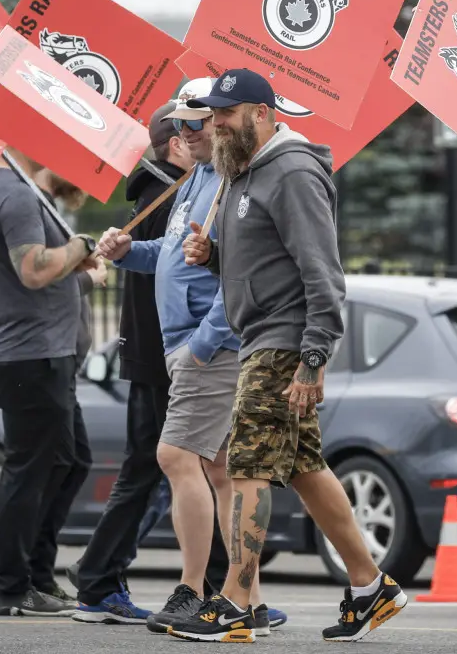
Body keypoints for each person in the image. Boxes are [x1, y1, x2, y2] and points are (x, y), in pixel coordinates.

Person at [176, 68, 408, 644]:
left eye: (225, 114)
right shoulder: (243, 174)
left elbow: (322, 272)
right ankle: (369, 585)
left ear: (261, 112)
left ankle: (233, 602)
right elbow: (262, 261)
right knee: (303, 467)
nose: (216, 124)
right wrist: (213, 256)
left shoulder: (295, 172)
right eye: (213, 115)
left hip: (283, 343)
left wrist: (314, 356)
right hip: (263, 336)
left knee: (246, 467)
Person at [92, 83, 287, 636]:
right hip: (188, 345)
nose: (184, 135)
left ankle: (194, 590)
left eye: (196, 124)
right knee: (222, 471)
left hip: (208, 347)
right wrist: (130, 252)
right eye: (179, 126)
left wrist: (204, 342)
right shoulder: (197, 178)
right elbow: (174, 254)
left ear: (222, 124)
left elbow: (244, 274)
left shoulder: (230, 180)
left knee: (176, 457)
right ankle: (247, 599)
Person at [66, 96, 199, 624]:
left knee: (165, 467)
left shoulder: (165, 188)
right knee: (154, 467)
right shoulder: (166, 193)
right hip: (159, 350)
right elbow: (167, 270)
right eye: (192, 132)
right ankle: (99, 577)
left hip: (152, 348)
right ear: (174, 144)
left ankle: (100, 574)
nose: (201, 139)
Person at [0, 148, 101, 617]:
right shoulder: (16, 195)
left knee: (69, 459)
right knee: (32, 469)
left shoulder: (15, 193)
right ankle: (8, 582)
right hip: (30, 356)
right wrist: (81, 246)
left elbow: (34, 276)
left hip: (45, 353)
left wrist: (79, 271)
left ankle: (31, 572)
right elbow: (33, 269)